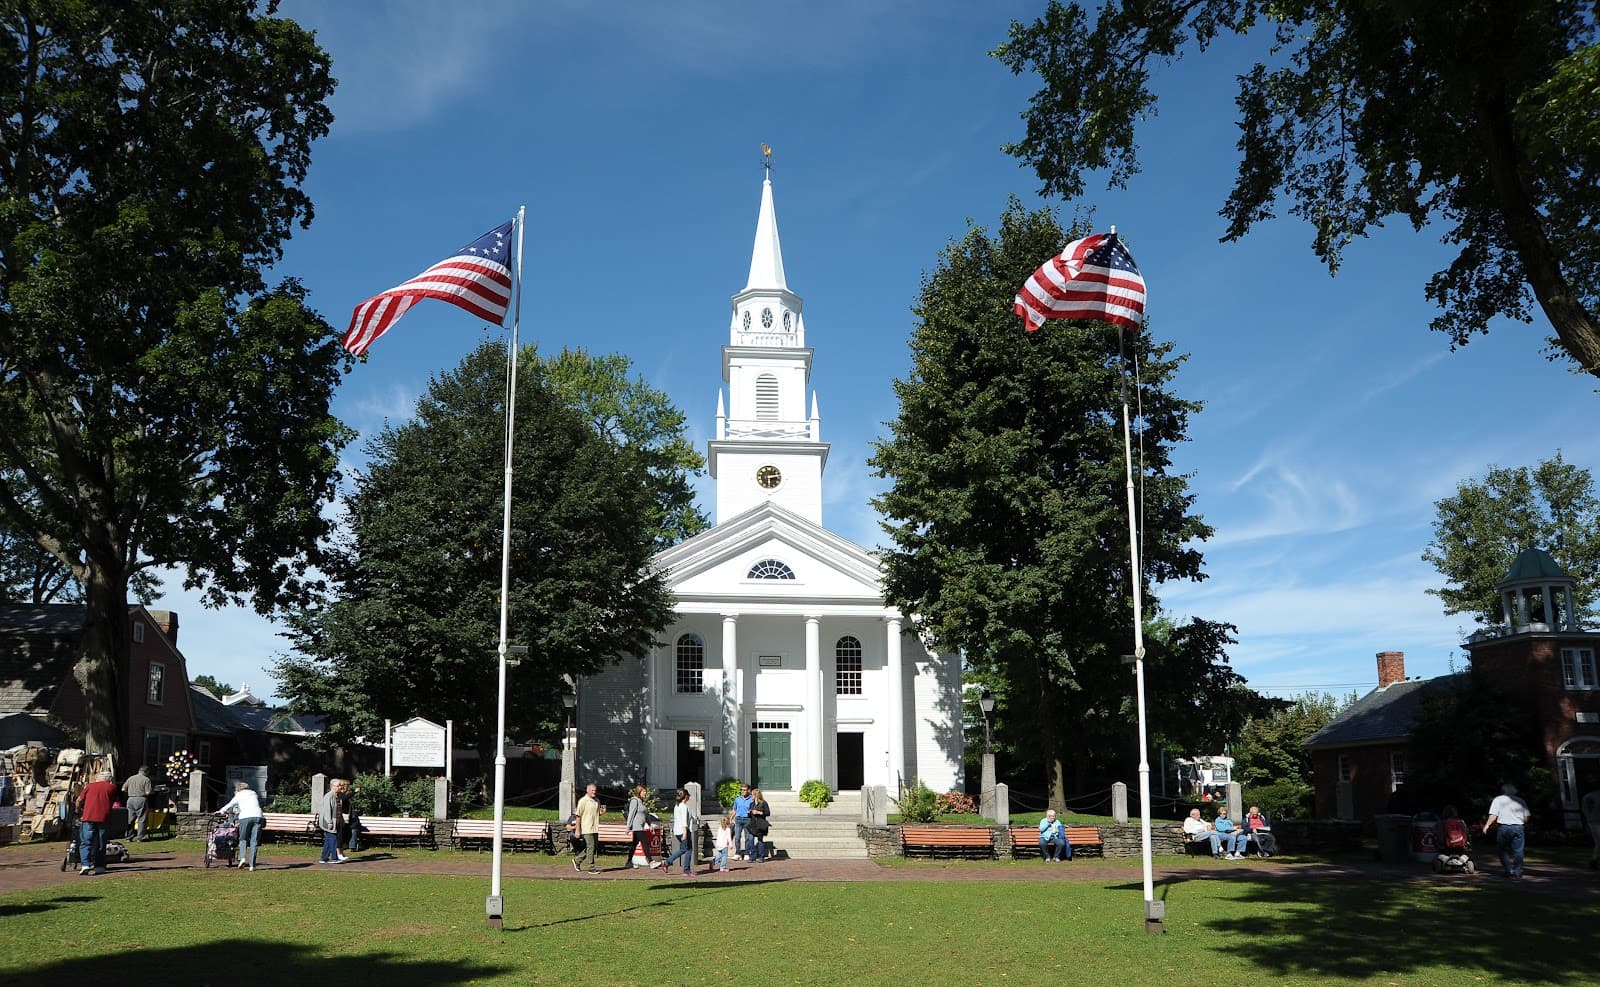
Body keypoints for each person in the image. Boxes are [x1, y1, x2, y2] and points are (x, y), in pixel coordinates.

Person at [74, 769, 118, 874]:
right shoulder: (112, 787)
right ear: (109, 779)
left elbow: (79, 800)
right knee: (101, 843)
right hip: (104, 818)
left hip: (88, 817)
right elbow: (112, 802)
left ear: (98, 778)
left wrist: (78, 810)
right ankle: (99, 866)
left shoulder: (89, 786)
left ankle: (85, 865)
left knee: (86, 842)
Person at [1484, 782, 1531, 879]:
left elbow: (1493, 815)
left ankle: (1509, 869)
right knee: (1518, 850)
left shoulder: (1498, 800)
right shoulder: (1520, 800)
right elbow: (1526, 817)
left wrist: (1487, 825)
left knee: (1501, 850)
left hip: (1504, 827)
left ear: (1503, 790)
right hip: (1518, 827)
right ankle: (1517, 872)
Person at [216, 781, 265, 871]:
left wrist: (221, 811)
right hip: (258, 816)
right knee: (254, 841)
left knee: (243, 839)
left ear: (238, 789)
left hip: (245, 817)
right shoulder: (254, 793)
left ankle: (242, 858)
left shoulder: (239, 795)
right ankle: (252, 865)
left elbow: (230, 804)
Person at [661, 787, 696, 876]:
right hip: (683, 830)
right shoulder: (683, 806)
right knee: (686, 849)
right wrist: (685, 832)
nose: (689, 797)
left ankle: (684, 869)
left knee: (686, 849)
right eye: (688, 796)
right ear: (686, 796)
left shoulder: (677, 806)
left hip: (677, 830)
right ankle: (670, 863)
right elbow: (684, 820)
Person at [624, 784, 660, 869]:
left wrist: (649, 823)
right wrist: (628, 827)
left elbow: (645, 814)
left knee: (634, 844)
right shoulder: (634, 801)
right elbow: (631, 814)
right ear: (639, 792)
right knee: (645, 843)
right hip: (637, 827)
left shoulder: (641, 801)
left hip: (641, 826)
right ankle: (651, 862)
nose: (645, 793)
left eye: (645, 791)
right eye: (643, 791)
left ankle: (628, 862)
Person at [573, 782, 604, 873]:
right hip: (586, 828)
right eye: (592, 790)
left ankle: (577, 860)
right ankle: (591, 867)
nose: (594, 792)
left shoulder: (597, 801)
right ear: (587, 790)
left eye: (595, 790)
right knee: (591, 846)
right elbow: (578, 816)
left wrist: (602, 812)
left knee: (592, 848)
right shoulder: (583, 801)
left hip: (595, 828)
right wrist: (578, 830)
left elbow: (596, 813)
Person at [317, 778, 349, 864]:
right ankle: (334, 858)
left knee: (328, 840)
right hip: (329, 822)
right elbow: (327, 810)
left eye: (341, 785)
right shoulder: (329, 796)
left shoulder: (337, 796)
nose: (340, 787)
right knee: (333, 839)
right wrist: (329, 822)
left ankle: (324, 858)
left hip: (336, 821)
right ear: (333, 786)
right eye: (339, 786)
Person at [123, 766, 153, 842]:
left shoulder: (131, 778)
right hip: (141, 798)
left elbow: (123, 789)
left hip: (130, 799)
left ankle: (129, 837)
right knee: (142, 819)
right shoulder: (146, 779)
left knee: (130, 819)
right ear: (146, 772)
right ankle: (140, 837)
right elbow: (147, 792)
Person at [747, 787, 772, 862]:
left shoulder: (763, 803)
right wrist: (749, 813)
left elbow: (768, 813)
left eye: (752, 795)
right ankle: (753, 856)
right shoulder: (751, 804)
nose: (751, 796)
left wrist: (759, 812)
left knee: (760, 840)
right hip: (752, 824)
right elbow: (750, 814)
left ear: (756, 795)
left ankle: (761, 857)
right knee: (750, 840)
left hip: (760, 824)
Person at [732, 782, 754, 860]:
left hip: (747, 820)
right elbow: (734, 809)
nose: (743, 791)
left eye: (744, 790)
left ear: (748, 790)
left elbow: (754, 809)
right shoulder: (737, 799)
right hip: (738, 819)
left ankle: (747, 853)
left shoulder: (752, 799)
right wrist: (731, 818)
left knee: (747, 838)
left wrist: (751, 812)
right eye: (742, 790)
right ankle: (738, 853)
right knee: (737, 837)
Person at [1581, 787, 1600, 871]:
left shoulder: (1587, 796)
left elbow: (1585, 810)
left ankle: (1593, 861)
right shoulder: (1593, 796)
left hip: (1592, 821)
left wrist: (1588, 819)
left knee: (1598, 843)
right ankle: (1593, 861)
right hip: (1596, 821)